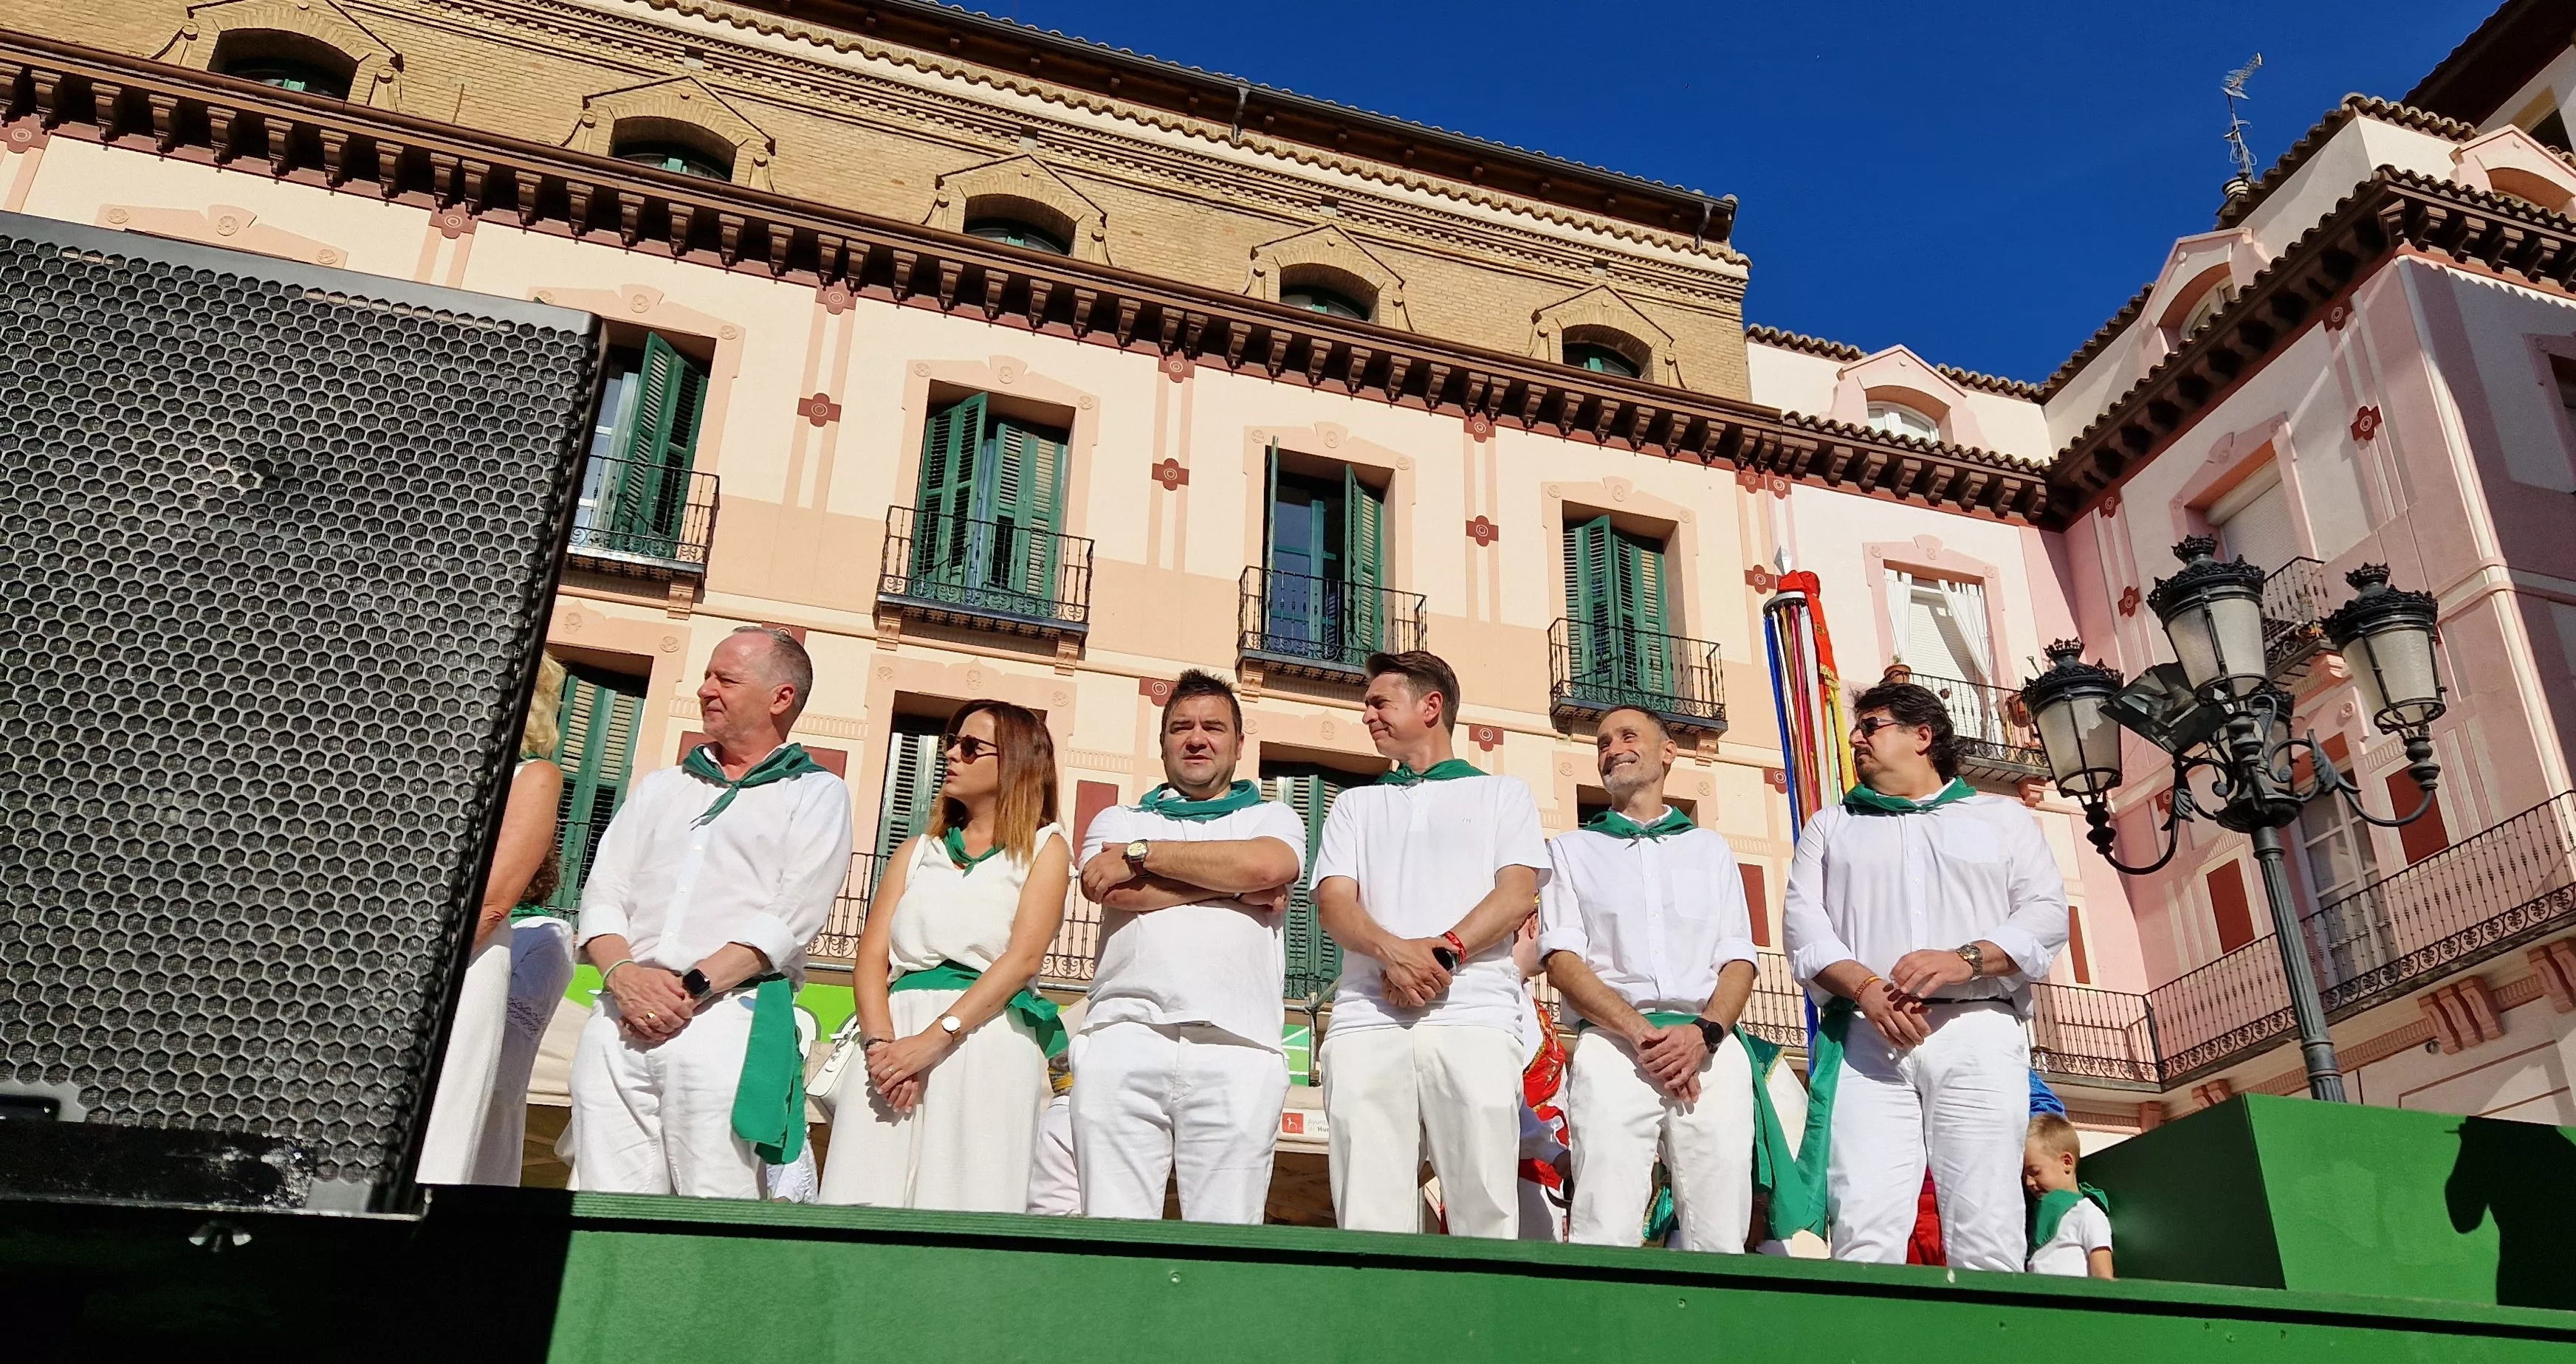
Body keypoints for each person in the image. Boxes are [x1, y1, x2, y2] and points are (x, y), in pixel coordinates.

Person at [1782, 680, 2069, 1270]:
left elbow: (2044, 915)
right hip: (1868, 1035)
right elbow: (1803, 929)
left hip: (1979, 1030)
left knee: (1985, 1222)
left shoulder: (2002, 818)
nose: (1856, 739)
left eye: (1871, 725)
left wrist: (1963, 958)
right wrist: (1866, 987)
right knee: (1862, 1220)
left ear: (1923, 735)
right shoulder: (1829, 826)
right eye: (1856, 727)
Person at [566, 627, 853, 1197]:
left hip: (726, 1017)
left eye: (726, 678)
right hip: (620, 1014)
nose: (705, 690)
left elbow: (790, 915)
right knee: (601, 1200)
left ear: (781, 698)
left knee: (713, 1196)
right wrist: (624, 977)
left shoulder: (817, 793)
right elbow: (603, 893)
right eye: (706, 676)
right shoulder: (660, 788)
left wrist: (686, 989)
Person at [1313, 650, 1549, 1238]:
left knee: (1484, 1205)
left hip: (1473, 1012)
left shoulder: (1504, 794)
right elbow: (1334, 904)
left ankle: (1485, 1327)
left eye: (1378, 703)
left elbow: (1517, 894)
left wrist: (1441, 952)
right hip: (1368, 1016)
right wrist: (1394, 954)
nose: (1366, 715)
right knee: (1367, 1208)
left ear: (1431, 706)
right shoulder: (1353, 803)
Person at [820, 700, 1070, 1211]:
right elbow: (871, 957)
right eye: (951, 742)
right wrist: (882, 1050)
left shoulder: (1047, 848)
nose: (951, 753)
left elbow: (1022, 959)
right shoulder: (917, 852)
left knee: (968, 1199)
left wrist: (933, 1041)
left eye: (970, 746)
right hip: (891, 1047)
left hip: (988, 1036)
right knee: (861, 1199)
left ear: (1016, 761)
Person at [1074, 670, 1305, 1223]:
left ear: (1238, 744)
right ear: (1162, 744)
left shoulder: (1271, 816)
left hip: (1239, 1045)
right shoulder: (1119, 817)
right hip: (1122, 1035)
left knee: (1226, 1243)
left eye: (1213, 727)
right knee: (1111, 1235)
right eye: (1180, 727)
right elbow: (1112, 891)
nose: (1196, 739)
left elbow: (1269, 864)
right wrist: (1237, 884)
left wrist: (1139, 854)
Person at [1540, 706, 1759, 1253]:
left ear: (1668, 753)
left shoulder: (1710, 850)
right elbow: (1562, 961)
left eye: (1627, 736)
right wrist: (1642, 1035)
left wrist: (1703, 1034)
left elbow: (1738, 958)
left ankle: (1713, 1336)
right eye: (1602, 742)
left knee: (1719, 1230)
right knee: (1603, 1222)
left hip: (1708, 1050)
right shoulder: (1569, 851)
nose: (1612, 748)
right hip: (1613, 1048)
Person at [419, 652, 567, 1184]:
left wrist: (415, 968)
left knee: (435, 1131)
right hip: (394, 961)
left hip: (460, 963)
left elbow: (494, 899)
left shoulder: (535, 777)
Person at [2023, 1115, 2114, 1278]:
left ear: (2067, 1162)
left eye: (2035, 1172)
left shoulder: (2087, 1213)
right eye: (2024, 1176)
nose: (2029, 1182)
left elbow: (2103, 1275)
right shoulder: (2035, 1218)